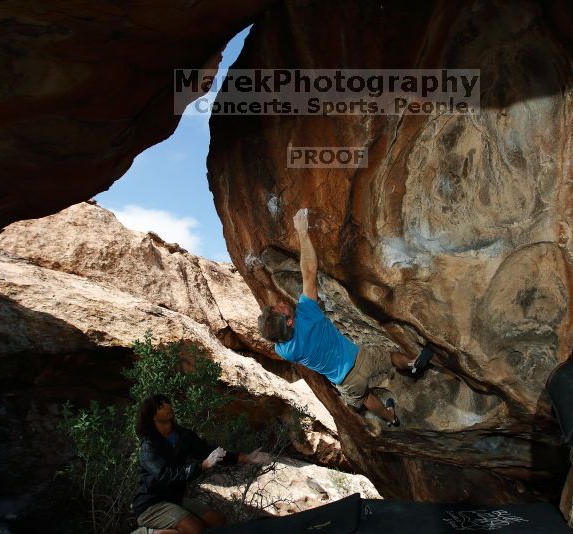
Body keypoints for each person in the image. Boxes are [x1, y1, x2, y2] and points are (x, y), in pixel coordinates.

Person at [257, 208, 440, 427]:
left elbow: (275, 336)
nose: (281, 303)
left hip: (345, 381)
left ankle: (391, 418)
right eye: (280, 309)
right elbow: (309, 271)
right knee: (391, 357)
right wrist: (302, 232)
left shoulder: (285, 350)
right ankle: (412, 364)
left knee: (364, 398)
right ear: (289, 321)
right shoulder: (308, 314)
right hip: (360, 358)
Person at [131, 394, 271, 534]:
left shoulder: (182, 436)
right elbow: (166, 475)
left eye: (167, 403)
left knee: (217, 520)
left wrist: (247, 457)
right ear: (153, 416)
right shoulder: (149, 447)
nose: (168, 407)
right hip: (151, 506)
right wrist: (202, 466)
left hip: (174, 500)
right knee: (195, 530)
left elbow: (210, 452)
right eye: (161, 406)